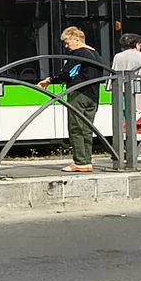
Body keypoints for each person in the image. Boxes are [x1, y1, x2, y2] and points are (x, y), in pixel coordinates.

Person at [56, 25, 108, 173]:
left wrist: (50, 80)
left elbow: (67, 74)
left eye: (67, 42)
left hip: (79, 94)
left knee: (76, 128)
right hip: (93, 96)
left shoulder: (78, 53)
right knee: (86, 129)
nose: (66, 46)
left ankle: (79, 162)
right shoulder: (95, 54)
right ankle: (87, 161)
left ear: (77, 39)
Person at [111, 32, 141, 163]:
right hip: (138, 94)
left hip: (121, 94)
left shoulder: (118, 57)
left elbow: (113, 76)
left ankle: (123, 151)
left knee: (123, 124)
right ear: (137, 44)